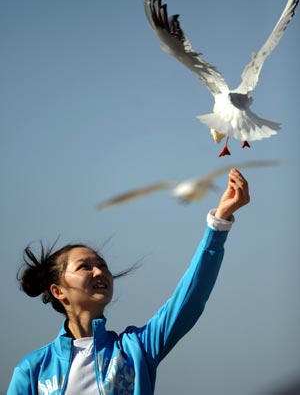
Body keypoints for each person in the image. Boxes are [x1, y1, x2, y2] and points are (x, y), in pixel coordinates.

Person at [7, 168, 250, 395]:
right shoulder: (33, 370)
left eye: (102, 265)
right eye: (85, 267)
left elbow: (190, 299)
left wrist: (218, 225)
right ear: (58, 291)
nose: (99, 272)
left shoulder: (137, 349)